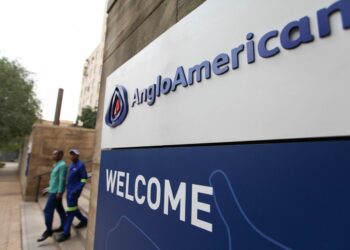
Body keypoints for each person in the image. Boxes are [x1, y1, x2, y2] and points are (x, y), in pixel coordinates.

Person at [57, 149, 88, 242]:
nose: (72, 156)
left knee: (70, 211)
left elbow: (84, 178)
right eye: (71, 154)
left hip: (74, 193)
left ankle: (66, 233)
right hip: (69, 191)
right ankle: (84, 220)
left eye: (74, 154)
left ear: (78, 156)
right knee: (73, 209)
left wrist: (77, 190)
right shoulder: (71, 165)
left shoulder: (80, 165)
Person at [37, 150, 67, 242]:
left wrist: (60, 192)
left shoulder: (62, 165)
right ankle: (64, 226)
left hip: (56, 193)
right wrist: (48, 189)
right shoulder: (56, 164)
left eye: (55, 154)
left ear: (61, 155)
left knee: (47, 210)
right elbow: (54, 180)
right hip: (53, 190)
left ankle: (48, 230)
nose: (53, 156)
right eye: (53, 154)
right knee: (60, 210)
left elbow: (62, 180)